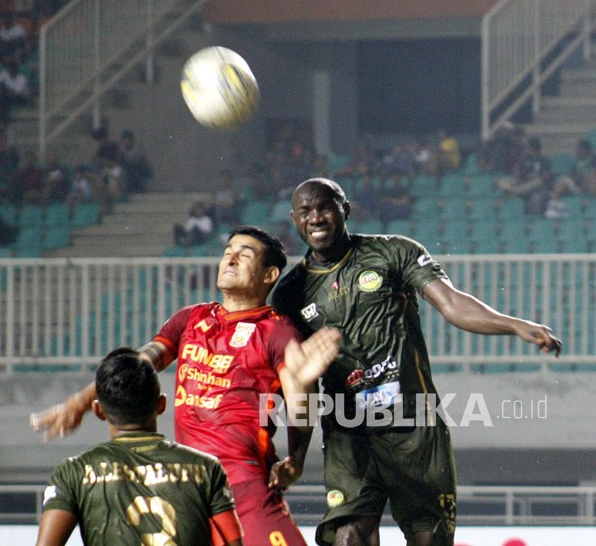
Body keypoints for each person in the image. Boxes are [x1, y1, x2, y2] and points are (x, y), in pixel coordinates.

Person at [271, 178, 563, 546]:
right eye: (305, 211)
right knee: (348, 536)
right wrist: (295, 453)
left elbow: (452, 303)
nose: (316, 218)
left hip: (414, 426)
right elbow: (299, 380)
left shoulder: (394, 253)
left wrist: (515, 325)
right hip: (348, 431)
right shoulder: (289, 293)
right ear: (294, 219)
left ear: (345, 209)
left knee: (430, 539)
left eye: (325, 207)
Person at [31, 225, 343, 546]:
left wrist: (296, 454)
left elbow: (298, 396)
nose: (231, 260)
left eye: (244, 255)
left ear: (269, 274)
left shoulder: (277, 331)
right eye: (227, 253)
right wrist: (79, 403)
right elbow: (134, 368)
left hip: (242, 486)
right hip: (183, 487)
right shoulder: (190, 319)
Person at [35, 347, 244, 546]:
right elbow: (233, 542)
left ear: (98, 410)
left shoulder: (73, 472)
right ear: (161, 404)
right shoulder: (207, 468)